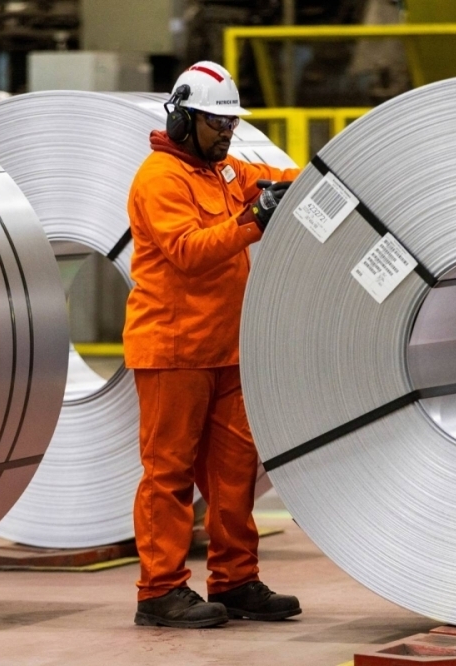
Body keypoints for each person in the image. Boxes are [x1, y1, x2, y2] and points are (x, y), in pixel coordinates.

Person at [123, 61, 302, 629]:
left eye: (231, 122)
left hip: (226, 349)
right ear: (183, 119)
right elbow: (188, 251)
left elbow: (281, 177)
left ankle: (235, 579)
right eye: (216, 122)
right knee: (168, 474)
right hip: (172, 350)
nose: (228, 131)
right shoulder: (160, 179)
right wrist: (254, 220)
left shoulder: (224, 172)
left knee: (233, 474)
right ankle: (159, 591)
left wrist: (327, 174)